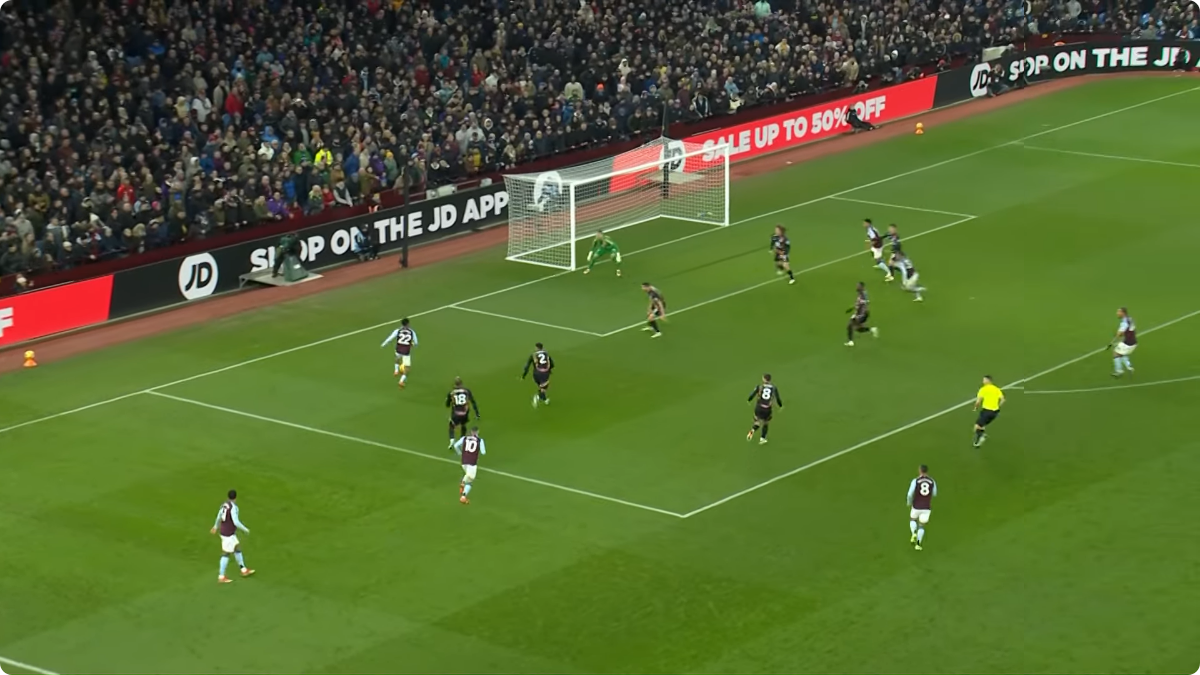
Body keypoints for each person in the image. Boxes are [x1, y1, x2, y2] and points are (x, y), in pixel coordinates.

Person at [210, 489, 255, 584]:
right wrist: (245, 529)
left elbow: (219, 516)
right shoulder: (233, 508)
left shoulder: (224, 505)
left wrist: (215, 526)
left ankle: (243, 569)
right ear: (235, 497)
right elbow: (236, 522)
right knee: (226, 554)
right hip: (228, 534)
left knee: (237, 548)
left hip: (227, 533)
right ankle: (221, 576)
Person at [746, 374, 784, 444]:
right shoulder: (774, 388)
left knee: (757, 422)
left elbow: (752, 394)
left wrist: (749, 400)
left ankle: (753, 430)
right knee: (765, 423)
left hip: (759, 407)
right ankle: (762, 438)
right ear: (770, 380)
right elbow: (778, 398)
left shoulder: (759, 387)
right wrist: (780, 406)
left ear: (763, 379)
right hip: (767, 409)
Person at [453, 427, 487, 504]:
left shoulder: (464, 438)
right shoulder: (480, 440)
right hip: (472, 463)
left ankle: (463, 497)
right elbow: (483, 452)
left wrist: (459, 453)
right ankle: (463, 482)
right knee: (470, 478)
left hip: (464, 462)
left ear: (471, 432)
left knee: (470, 480)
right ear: (477, 432)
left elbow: (455, 445)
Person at [907, 465, 937, 551]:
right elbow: (934, 493)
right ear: (927, 471)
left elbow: (909, 494)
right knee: (921, 526)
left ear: (920, 471)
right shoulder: (932, 481)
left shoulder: (915, 481)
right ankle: (918, 544)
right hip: (926, 507)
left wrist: (909, 502)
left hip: (916, 505)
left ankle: (914, 532)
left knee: (912, 519)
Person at [380, 318, 418, 386]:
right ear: (408, 324)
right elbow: (416, 342)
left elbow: (390, 338)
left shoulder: (397, 331)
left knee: (397, 358)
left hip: (399, 349)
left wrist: (384, 344)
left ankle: (396, 371)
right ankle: (401, 381)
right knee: (407, 367)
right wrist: (412, 344)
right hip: (406, 351)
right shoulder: (412, 332)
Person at [445, 377, 481, 447]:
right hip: (465, 413)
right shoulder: (467, 391)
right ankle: (461, 440)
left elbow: (447, 405)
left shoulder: (451, 392)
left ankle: (452, 440)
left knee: (451, 425)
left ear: (455, 384)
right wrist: (477, 414)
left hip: (456, 413)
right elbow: (473, 402)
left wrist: (450, 402)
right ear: (461, 384)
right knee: (463, 425)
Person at [973, 375, 1004, 447]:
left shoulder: (983, 389)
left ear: (988, 381)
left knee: (976, 427)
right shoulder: (996, 389)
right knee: (982, 424)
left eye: (984, 380)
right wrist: (998, 407)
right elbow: (1002, 400)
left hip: (987, 411)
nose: (983, 381)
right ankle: (983, 434)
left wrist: (975, 408)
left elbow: (978, 402)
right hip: (995, 412)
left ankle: (979, 439)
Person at [845, 282, 879, 346]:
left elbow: (866, 302)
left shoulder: (863, 294)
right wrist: (851, 308)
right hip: (859, 314)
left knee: (850, 325)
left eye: (858, 286)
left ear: (862, 287)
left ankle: (851, 342)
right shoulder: (860, 294)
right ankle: (872, 329)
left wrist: (859, 313)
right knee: (858, 329)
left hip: (862, 314)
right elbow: (858, 304)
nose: (857, 287)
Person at [522, 342, 555, 407]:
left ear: (537, 348)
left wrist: (523, 376)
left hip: (536, 374)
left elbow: (526, 367)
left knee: (541, 387)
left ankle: (545, 400)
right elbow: (552, 364)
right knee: (544, 388)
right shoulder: (546, 354)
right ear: (542, 347)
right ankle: (537, 397)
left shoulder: (533, 355)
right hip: (544, 374)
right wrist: (549, 370)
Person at [1111, 307, 1137, 377]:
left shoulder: (1124, 322)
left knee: (1116, 353)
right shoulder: (1130, 319)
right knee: (1122, 353)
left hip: (1128, 343)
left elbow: (1119, 333)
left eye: (1119, 312)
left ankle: (1119, 371)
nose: (1117, 313)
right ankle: (1129, 367)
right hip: (1132, 341)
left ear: (1123, 313)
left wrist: (1113, 340)